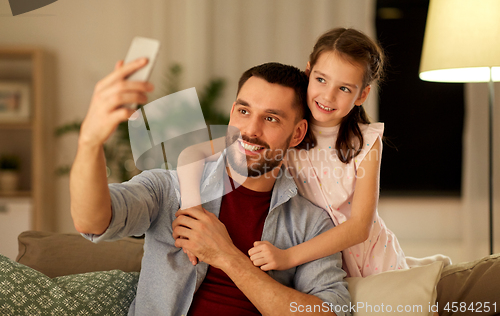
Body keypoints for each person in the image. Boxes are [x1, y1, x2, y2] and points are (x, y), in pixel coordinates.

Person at [70, 60, 351, 315]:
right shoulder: (170, 188)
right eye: (244, 111)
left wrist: (226, 256)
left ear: (298, 133)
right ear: (232, 113)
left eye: (271, 118)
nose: (250, 129)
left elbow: (332, 312)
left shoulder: (311, 225)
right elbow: (93, 221)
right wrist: (89, 143)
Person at [177, 27, 409, 278]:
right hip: (324, 268)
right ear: (308, 73)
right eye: (321, 80)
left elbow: (360, 227)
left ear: (362, 95)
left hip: (375, 262)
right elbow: (192, 153)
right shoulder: (282, 133)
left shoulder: (366, 141)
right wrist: (193, 211)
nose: (328, 96)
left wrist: (289, 256)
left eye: (344, 89)